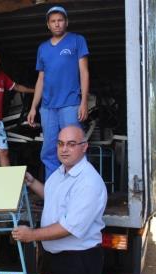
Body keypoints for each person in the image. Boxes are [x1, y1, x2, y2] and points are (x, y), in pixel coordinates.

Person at [12, 126, 107, 274]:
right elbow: (53, 197)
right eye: (60, 144)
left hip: (78, 260)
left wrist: (31, 235)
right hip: (58, 259)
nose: (64, 149)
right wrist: (32, 182)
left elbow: (68, 227)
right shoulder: (59, 173)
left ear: (84, 147)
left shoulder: (88, 182)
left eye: (71, 144)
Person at [27, 6, 89, 180]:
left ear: (66, 22)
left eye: (60, 20)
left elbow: (84, 72)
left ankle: (78, 190)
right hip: (47, 108)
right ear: (48, 25)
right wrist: (33, 107)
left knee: (74, 147)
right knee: (49, 151)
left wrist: (84, 101)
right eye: (53, 21)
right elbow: (41, 79)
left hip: (70, 104)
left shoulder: (77, 40)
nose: (57, 24)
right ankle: (54, 194)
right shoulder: (43, 48)